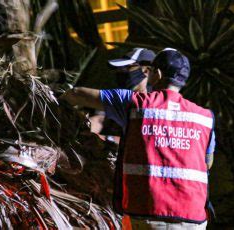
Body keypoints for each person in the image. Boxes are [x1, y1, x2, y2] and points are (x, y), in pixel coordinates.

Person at [62, 48, 216, 229]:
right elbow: (207, 163)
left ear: (155, 74)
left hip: (149, 213)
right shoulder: (204, 117)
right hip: (192, 217)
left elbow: (76, 94)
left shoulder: (134, 103)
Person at [89, 48, 156, 144]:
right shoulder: (117, 95)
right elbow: (100, 119)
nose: (121, 72)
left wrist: (111, 140)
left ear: (146, 71)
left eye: (127, 67)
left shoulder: (157, 101)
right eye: (119, 69)